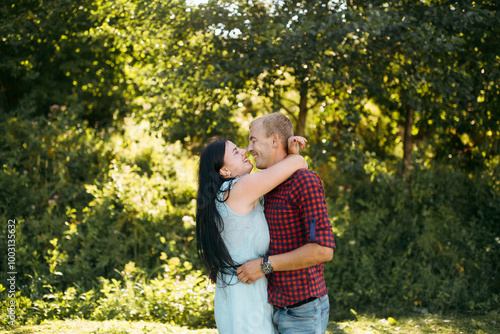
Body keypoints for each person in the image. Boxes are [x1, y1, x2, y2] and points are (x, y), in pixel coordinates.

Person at [196, 135, 308, 334]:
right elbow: (299, 163)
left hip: (239, 290)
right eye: (235, 151)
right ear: (224, 171)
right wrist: (291, 153)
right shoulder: (239, 189)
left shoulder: (224, 193)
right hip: (245, 295)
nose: (244, 151)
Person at [236, 113, 336, 334]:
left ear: (274, 140)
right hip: (272, 307)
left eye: (253, 140)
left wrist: (264, 265)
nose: (249, 148)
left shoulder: (304, 181)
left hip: (303, 311)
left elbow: (323, 250)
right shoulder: (266, 185)